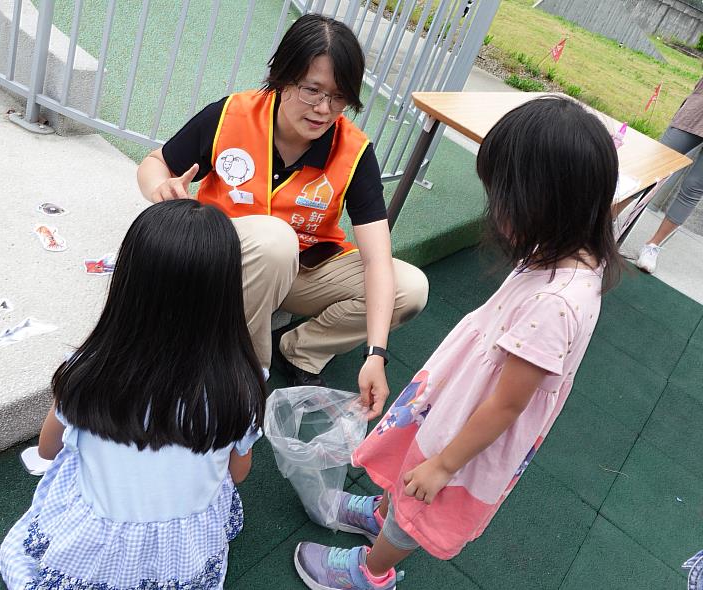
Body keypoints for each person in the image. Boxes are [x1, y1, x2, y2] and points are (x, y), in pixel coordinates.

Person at [292, 96, 622, 589]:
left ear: (545, 202)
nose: (495, 209)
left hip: (473, 431)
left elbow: (508, 405)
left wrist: (445, 465)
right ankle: (382, 513)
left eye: (502, 198)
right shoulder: (561, 252)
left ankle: (371, 572)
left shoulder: (559, 302)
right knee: (410, 471)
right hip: (461, 401)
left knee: (421, 498)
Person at [137, 14, 429, 420]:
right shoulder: (232, 115)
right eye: (313, 90)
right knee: (275, 241)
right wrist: (160, 188)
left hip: (302, 269)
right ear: (282, 76)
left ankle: (301, 349)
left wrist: (376, 353)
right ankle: (244, 370)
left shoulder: (354, 150)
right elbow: (156, 163)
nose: (324, 109)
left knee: (410, 287)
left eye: (339, 97)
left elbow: (377, 259)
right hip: (225, 258)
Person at [0, 200, 265, 590]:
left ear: (127, 283)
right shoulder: (242, 385)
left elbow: (48, 449)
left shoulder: (86, 371)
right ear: (225, 293)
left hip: (93, 550)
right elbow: (237, 474)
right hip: (182, 556)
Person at [636, 76, 703, 273]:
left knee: (694, 186)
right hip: (698, 111)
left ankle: (652, 246)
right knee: (656, 165)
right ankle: (604, 220)